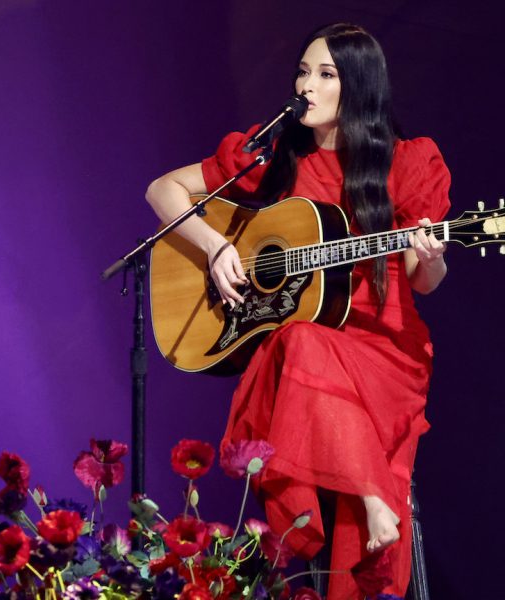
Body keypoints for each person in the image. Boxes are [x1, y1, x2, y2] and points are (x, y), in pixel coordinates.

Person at [146, 23, 450, 600]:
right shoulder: (277, 155)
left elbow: (425, 281)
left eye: (325, 75)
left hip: (385, 353)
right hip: (309, 355)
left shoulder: (408, 164)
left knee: (302, 340)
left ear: (357, 88)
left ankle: (372, 500)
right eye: (303, 72)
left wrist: (431, 255)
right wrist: (217, 249)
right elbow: (162, 191)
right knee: (301, 338)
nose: (306, 86)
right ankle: (372, 498)